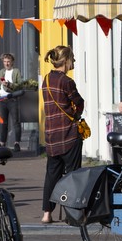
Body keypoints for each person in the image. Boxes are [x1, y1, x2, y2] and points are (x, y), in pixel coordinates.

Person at [41, 46, 84, 224]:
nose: (73, 62)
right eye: (72, 59)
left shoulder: (46, 79)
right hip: (68, 134)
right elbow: (79, 102)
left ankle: (46, 214)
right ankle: (71, 214)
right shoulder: (66, 81)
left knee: (51, 175)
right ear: (65, 60)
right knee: (72, 176)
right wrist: (77, 114)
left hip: (51, 136)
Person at [0, 53, 23, 151]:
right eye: (5, 62)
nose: (6, 64)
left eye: (8, 62)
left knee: (16, 122)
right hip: (2, 100)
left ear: (12, 62)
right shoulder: (1, 72)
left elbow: (19, 85)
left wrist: (9, 84)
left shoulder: (16, 71)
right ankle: (2, 143)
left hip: (12, 99)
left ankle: (17, 143)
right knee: (3, 122)